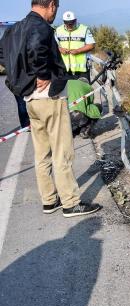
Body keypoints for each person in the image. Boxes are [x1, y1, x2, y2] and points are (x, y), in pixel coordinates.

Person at [0, 0, 101, 218]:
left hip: (30, 100)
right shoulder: (41, 27)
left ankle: (49, 200)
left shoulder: (13, 29)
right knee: (62, 151)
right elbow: (37, 49)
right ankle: (70, 203)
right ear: (52, 5)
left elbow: (3, 55)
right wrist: (43, 75)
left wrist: (18, 81)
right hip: (49, 99)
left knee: (42, 152)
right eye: (56, 9)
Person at [54, 11, 95, 81]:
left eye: (71, 23)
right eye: (67, 23)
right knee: (66, 91)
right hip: (64, 70)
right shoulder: (58, 30)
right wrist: (60, 49)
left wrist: (78, 51)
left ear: (75, 20)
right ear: (63, 21)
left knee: (84, 91)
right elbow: (54, 45)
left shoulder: (84, 29)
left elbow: (91, 45)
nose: (69, 25)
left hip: (82, 70)